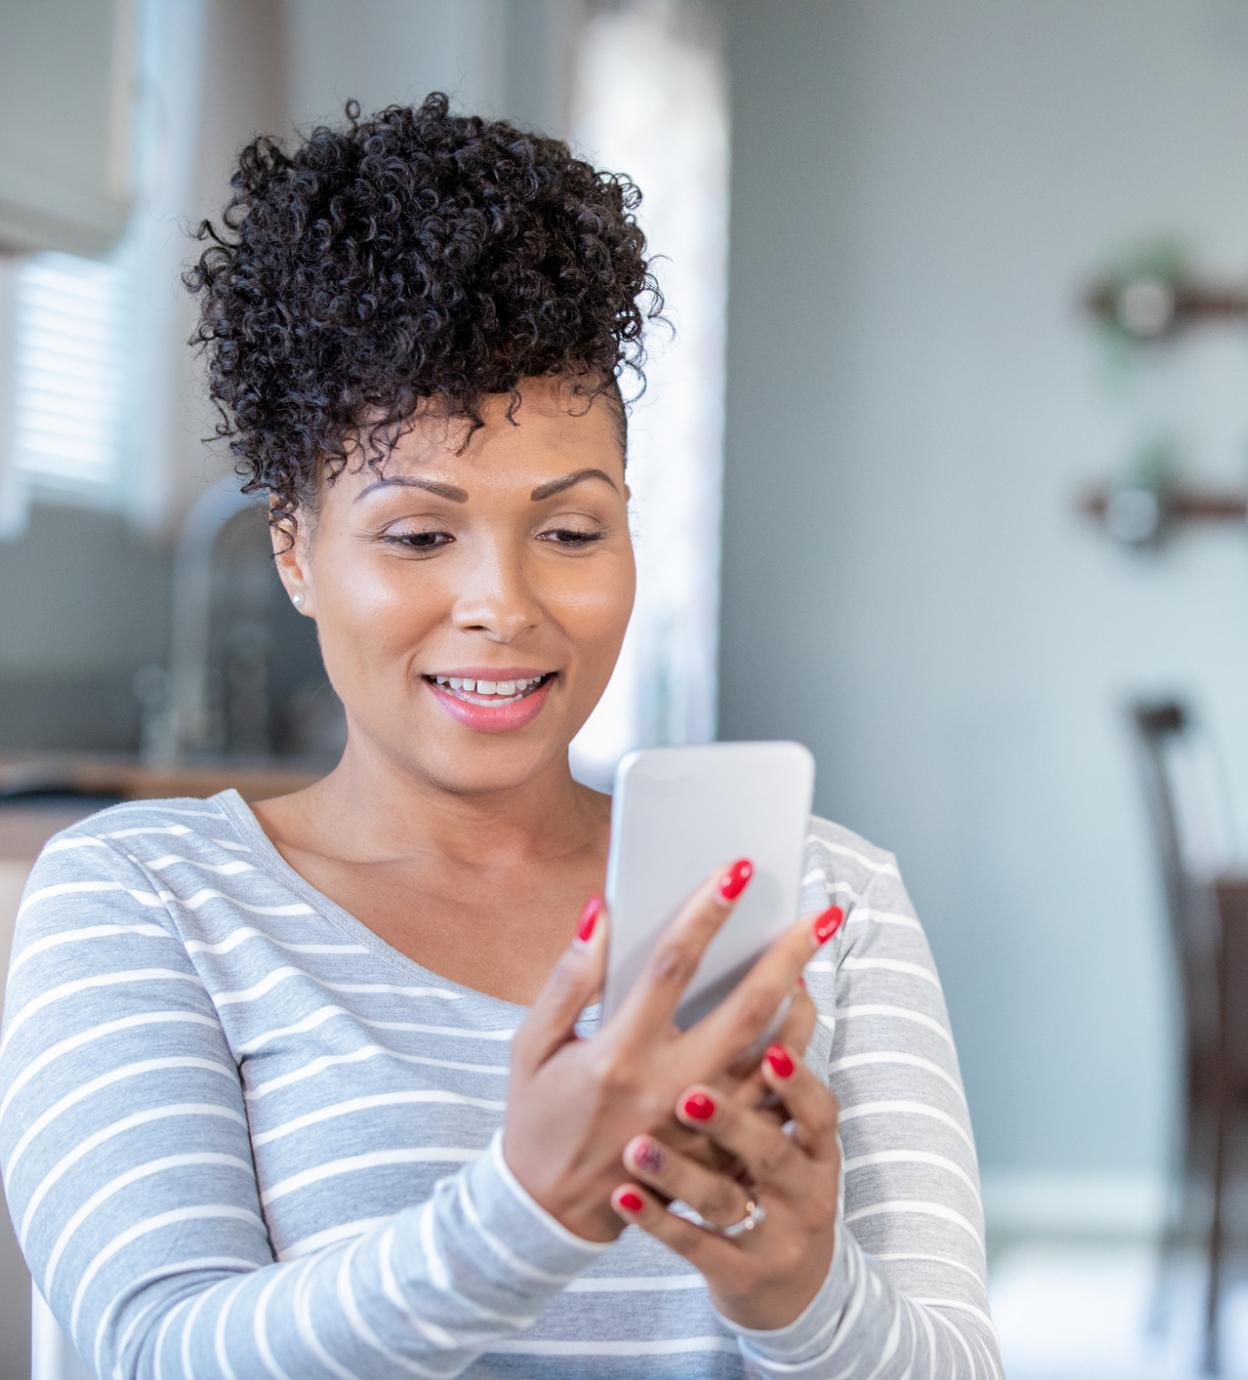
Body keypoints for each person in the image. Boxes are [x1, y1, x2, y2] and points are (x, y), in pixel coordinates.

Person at [0, 93, 1000, 1378]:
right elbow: (153, 1350)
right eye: (418, 535)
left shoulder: (826, 905)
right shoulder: (143, 901)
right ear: (294, 551)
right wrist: (520, 1212)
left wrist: (804, 1295)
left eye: (571, 531)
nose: (504, 605)